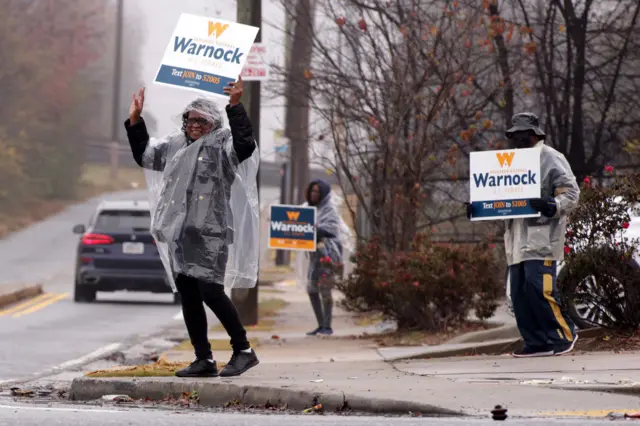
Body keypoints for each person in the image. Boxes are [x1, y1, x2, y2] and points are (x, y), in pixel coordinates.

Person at [124, 77, 259, 377]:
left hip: (210, 235)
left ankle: (244, 350)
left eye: (202, 120)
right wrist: (135, 121)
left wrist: (235, 107)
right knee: (189, 296)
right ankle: (204, 359)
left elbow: (244, 146)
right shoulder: (173, 145)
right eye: (191, 118)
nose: (195, 124)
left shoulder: (222, 145)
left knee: (212, 292)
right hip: (180, 235)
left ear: (213, 123)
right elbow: (145, 155)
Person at [467, 112, 580, 358]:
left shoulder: (550, 158)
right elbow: (498, 199)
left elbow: (571, 193)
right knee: (519, 294)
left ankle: (563, 334)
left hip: (542, 236)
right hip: (516, 239)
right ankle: (536, 341)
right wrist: (477, 208)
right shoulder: (509, 162)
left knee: (538, 286)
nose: (518, 140)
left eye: (523, 135)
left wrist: (553, 204)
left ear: (534, 134)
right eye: (514, 136)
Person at [303, 180, 343, 336]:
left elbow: (332, 230)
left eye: (317, 192)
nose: (314, 194)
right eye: (312, 191)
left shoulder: (330, 210)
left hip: (328, 257)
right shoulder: (308, 210)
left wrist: (318, 230)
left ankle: (328, 325)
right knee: (312, 289)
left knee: (325, 290)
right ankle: (320, 324)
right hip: (314, 257)